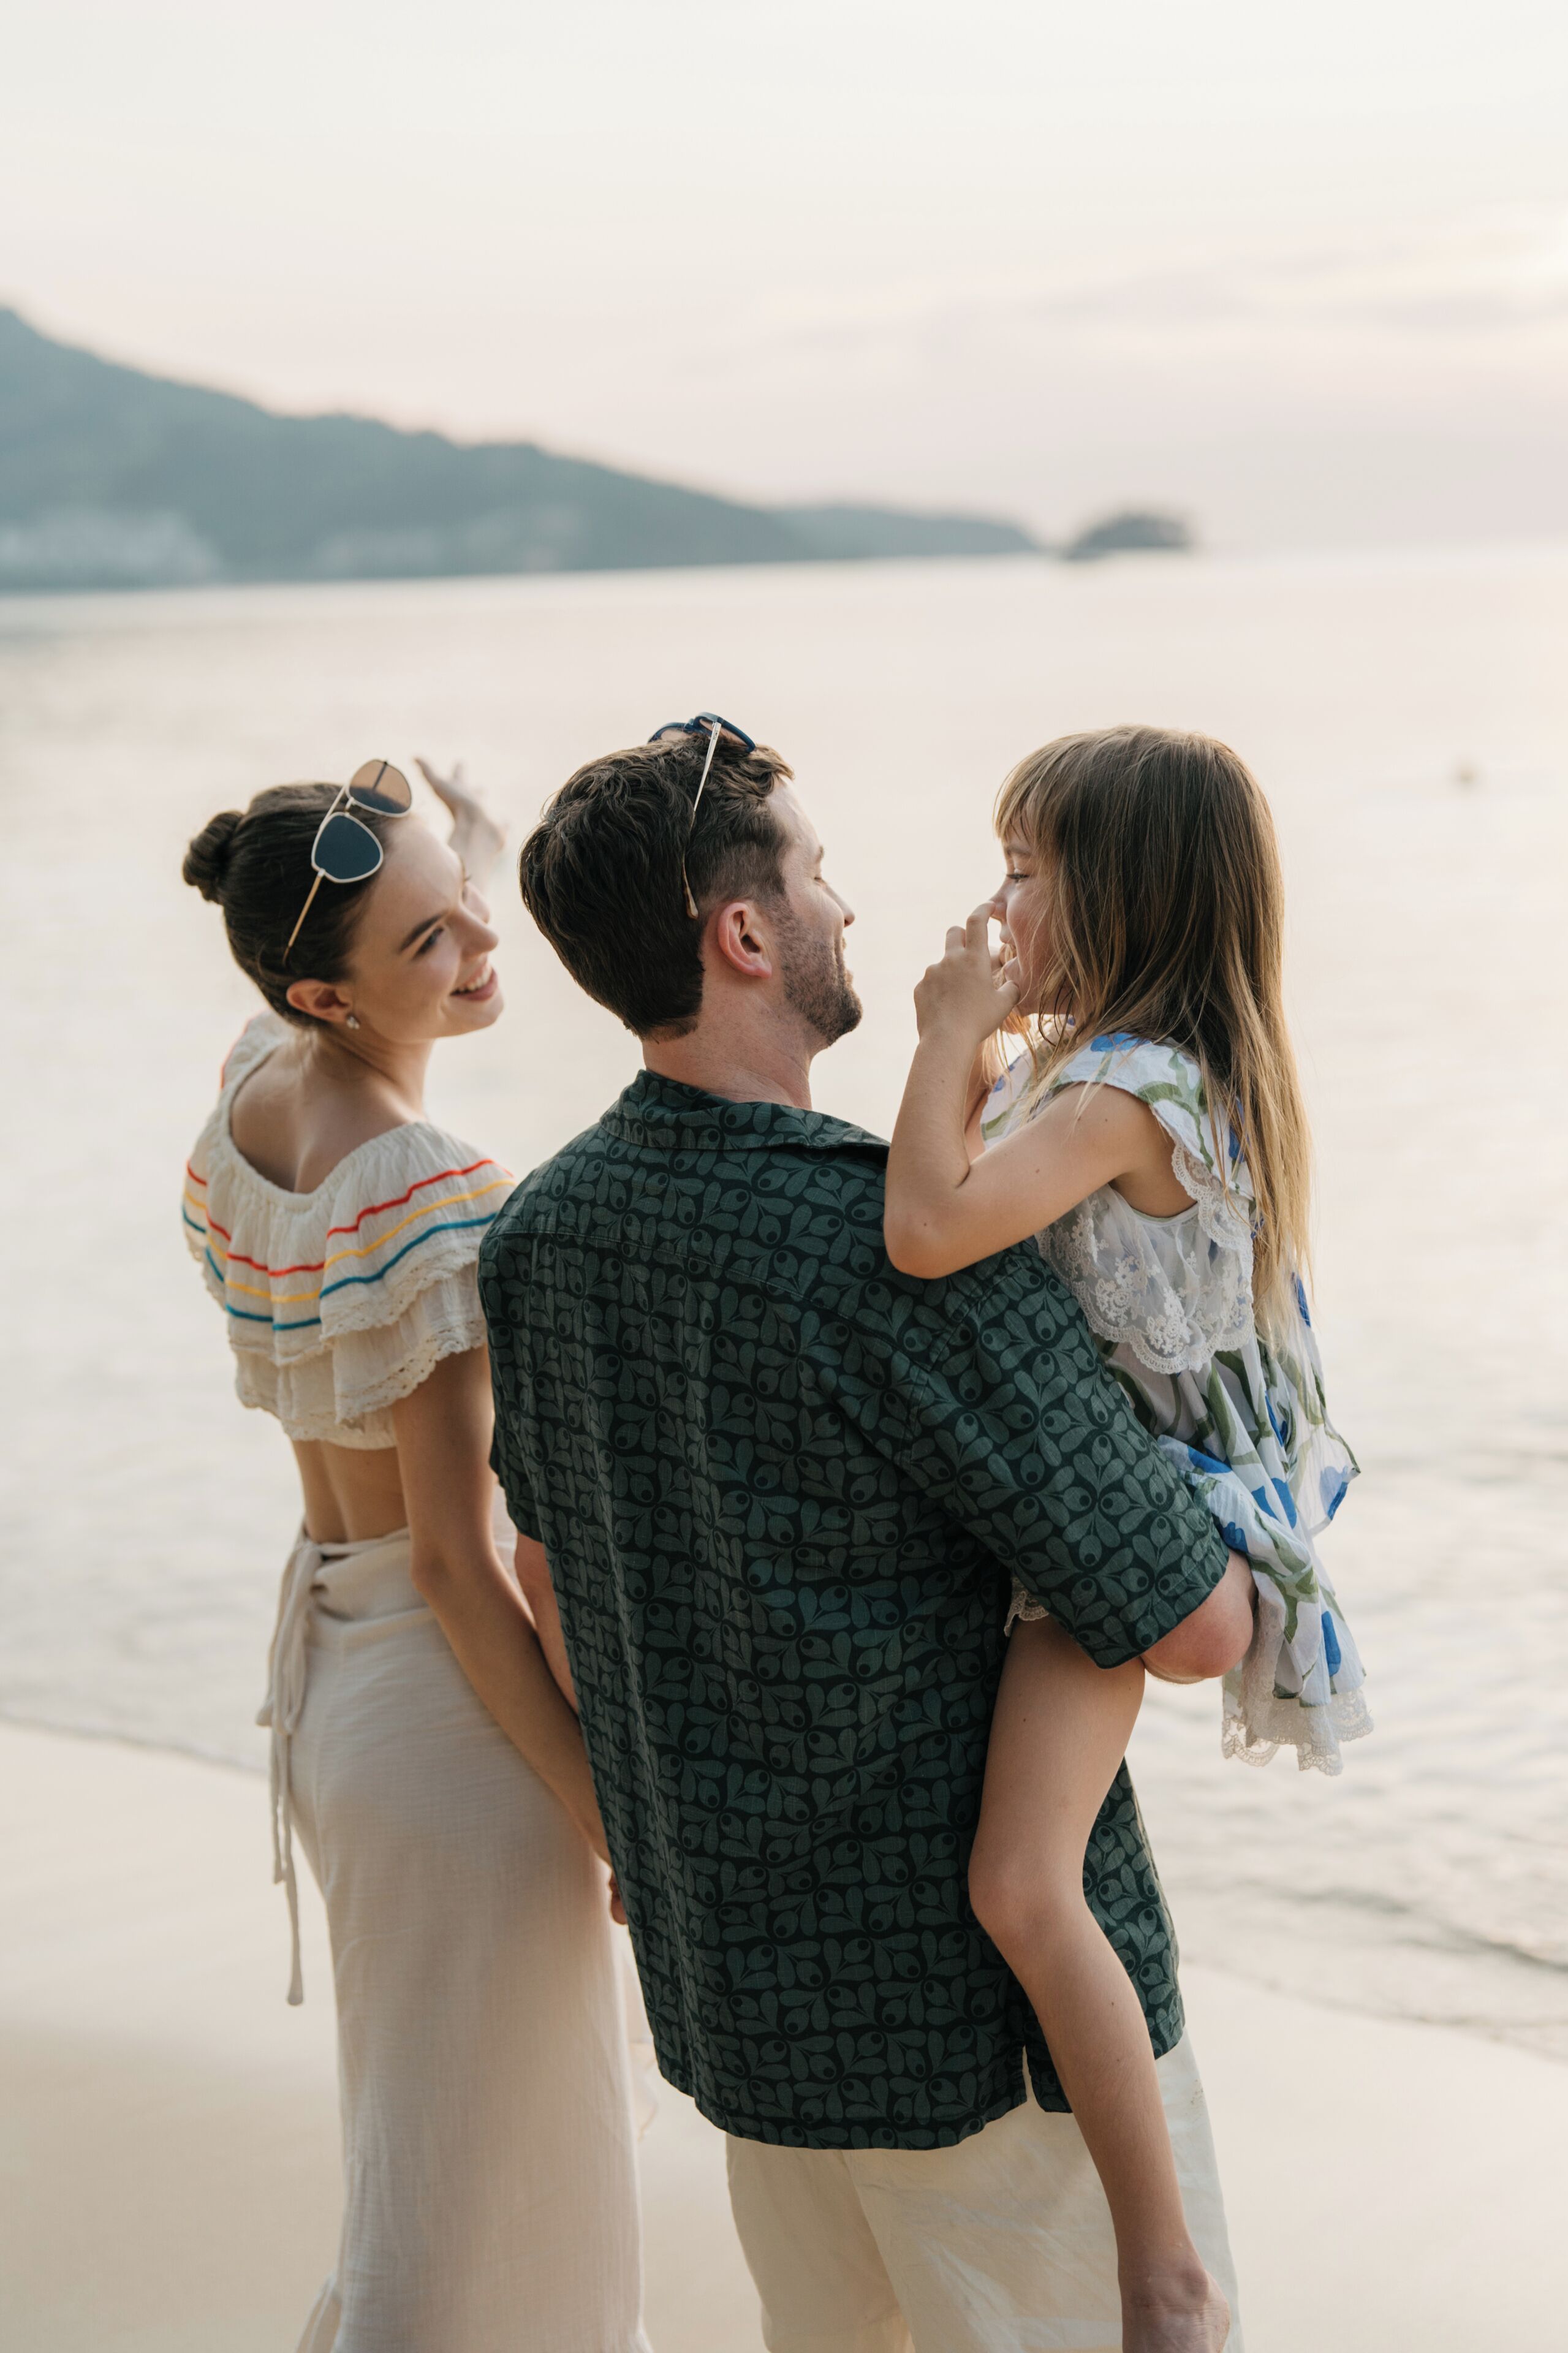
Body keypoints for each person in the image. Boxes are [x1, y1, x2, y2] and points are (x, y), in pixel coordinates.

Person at [479, 713, 1256, 2352]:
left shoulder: (542, 1236)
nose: (852, 908)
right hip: (987, 2064)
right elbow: (1186, 1626)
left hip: (747, 2020)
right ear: (743, 935)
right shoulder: (892, 1256)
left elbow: (547, 1579)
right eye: (820, 878)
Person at [883, 725, 1368, 2351]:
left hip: (1141, 1541)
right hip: (1109, 1530)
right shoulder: (1126, 1069)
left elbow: (929, 1229)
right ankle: (1150, 2251)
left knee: (1023, 1885)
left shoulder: (1120, 1091)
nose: (998, 902)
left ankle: (1161, 2269)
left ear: (1127, 893)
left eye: (1027, 871)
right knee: (1026, 1880)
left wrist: (944, 1034)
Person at [181, 758, 651, 2353]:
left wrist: (441, 843)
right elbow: (462, 1561)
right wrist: (612, 1817)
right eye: (431, 942)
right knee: (484, 2240)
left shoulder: (259, 1079)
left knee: (430, 2192)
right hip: (450, 1729)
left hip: (331, 1679)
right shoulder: (434, 1194)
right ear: (328, 987)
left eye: (467, 902)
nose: (478, 943)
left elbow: (428, 879)